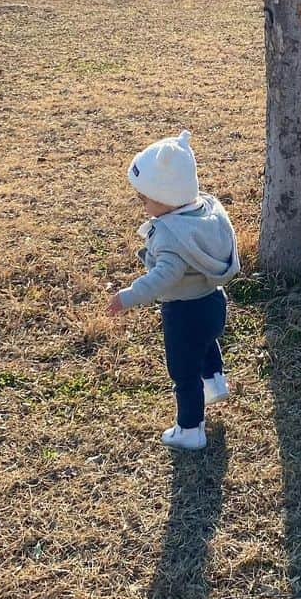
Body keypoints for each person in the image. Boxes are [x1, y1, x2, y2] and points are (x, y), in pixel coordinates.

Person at [107, 129, 240, 451]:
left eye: (145, 199)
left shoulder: (171, 236)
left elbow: (163, 277)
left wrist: (128, 296)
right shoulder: (205, 212)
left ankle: (190, 429)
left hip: (183, 311)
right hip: (213, 302)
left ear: (165, 198)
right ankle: (215, 381)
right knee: (205, 344)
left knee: (183, 373)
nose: (142, 205)